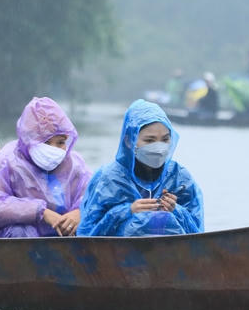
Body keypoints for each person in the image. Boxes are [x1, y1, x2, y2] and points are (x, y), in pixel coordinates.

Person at [76, 99, 204, 236]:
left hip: (173, 253)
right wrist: (128, 211)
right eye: (149, 140)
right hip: (120, 255)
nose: (159, 148)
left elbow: (198, 234)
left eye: (165, 139)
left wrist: (175, 210)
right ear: (129, 140)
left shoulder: (179, 177)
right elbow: (88, 234)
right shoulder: (108, 179)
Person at [0, 97, 90, 238]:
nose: (54, 149)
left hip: (64, 239)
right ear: (29, 138)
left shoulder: (74, 164)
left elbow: (93, 196)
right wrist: (41, 212)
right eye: (46, 142)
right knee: (20, 231)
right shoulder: (8, 160)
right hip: (15, 241)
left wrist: (79, 212)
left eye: (61, 142)